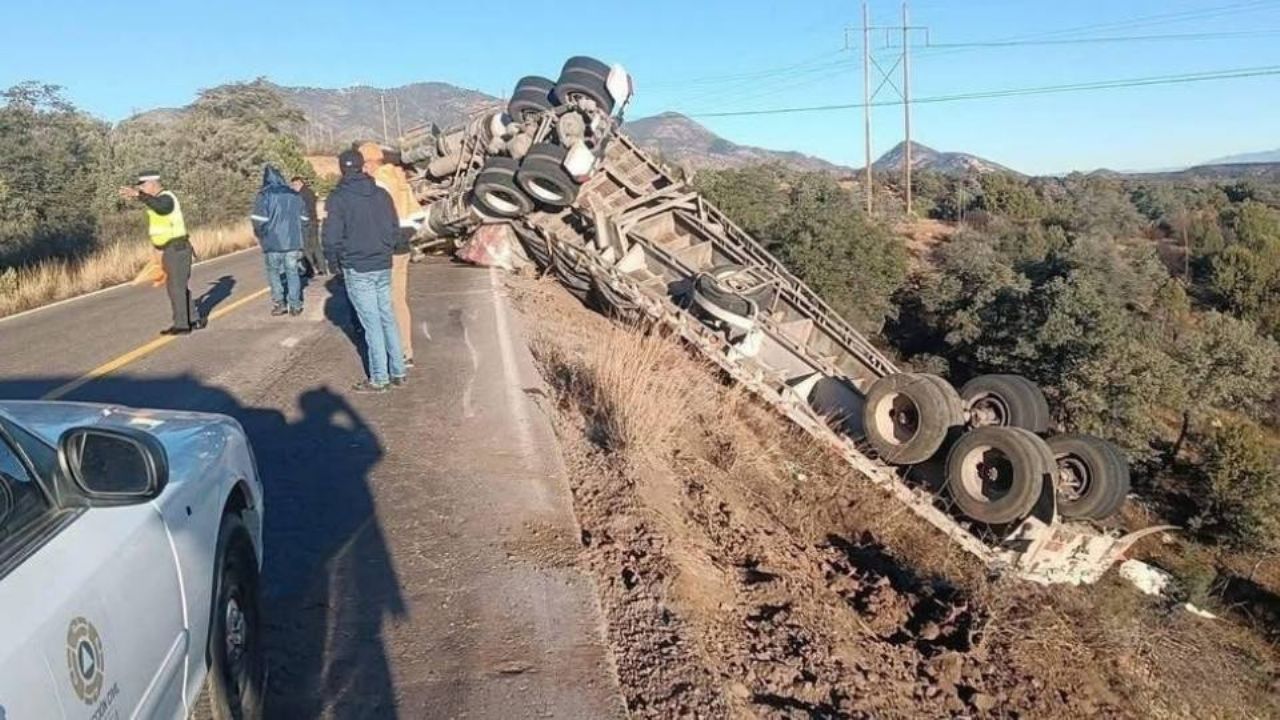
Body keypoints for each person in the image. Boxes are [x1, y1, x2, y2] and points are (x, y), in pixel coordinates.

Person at [323, 149, 406, 393]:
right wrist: (385, 248)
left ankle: (379, 378)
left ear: (342, 169)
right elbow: (394, 227)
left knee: (371, 323)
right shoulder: (381, 194)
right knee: (387, 317)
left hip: (358, 266)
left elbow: (331, 236)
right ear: (362, 166)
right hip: (382, 262)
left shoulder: (338, 198)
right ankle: (398, 369)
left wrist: (333, 260)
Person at [118, 171, 205, 335]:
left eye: (143, 186)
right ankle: (194, 319)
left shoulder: (167, 198)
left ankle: (182, 325)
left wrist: (139, 195)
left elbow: (162, 208)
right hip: (169, 249)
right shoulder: (158, 200)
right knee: (178, 286)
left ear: (152, 183)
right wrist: (157, 250)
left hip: (177, 248)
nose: (142, 189)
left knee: (175, 287)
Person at [359, 142, 419, 368]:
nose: (363, 169)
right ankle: (406, 350)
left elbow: (376, 219)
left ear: (370, 163)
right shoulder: (400, 179)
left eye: (363, 164)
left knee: (386, 302)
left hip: (388, 247)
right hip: (403, 245)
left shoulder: (378, 182)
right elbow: (417, 215)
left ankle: (398, 353)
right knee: (398, 301)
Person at [250, 165, 309, 316]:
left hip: (272, 242)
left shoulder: (264, 195)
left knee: (274, 273)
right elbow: (304, 219)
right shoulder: (294, 195)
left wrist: (261, 236)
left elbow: (258, 221)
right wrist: (300, 235)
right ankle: (295, 305)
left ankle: (279, 303)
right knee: (292, 272)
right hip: (292, 242)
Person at [291, 175, 326, 277]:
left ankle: (310, 270)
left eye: (294, 185)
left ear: (299, 183)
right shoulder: (310, 192)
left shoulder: (299, 195)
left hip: (305, 223)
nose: (293, 187)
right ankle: (322, 268)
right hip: (314, 222)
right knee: (316, 246)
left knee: (305, 247)